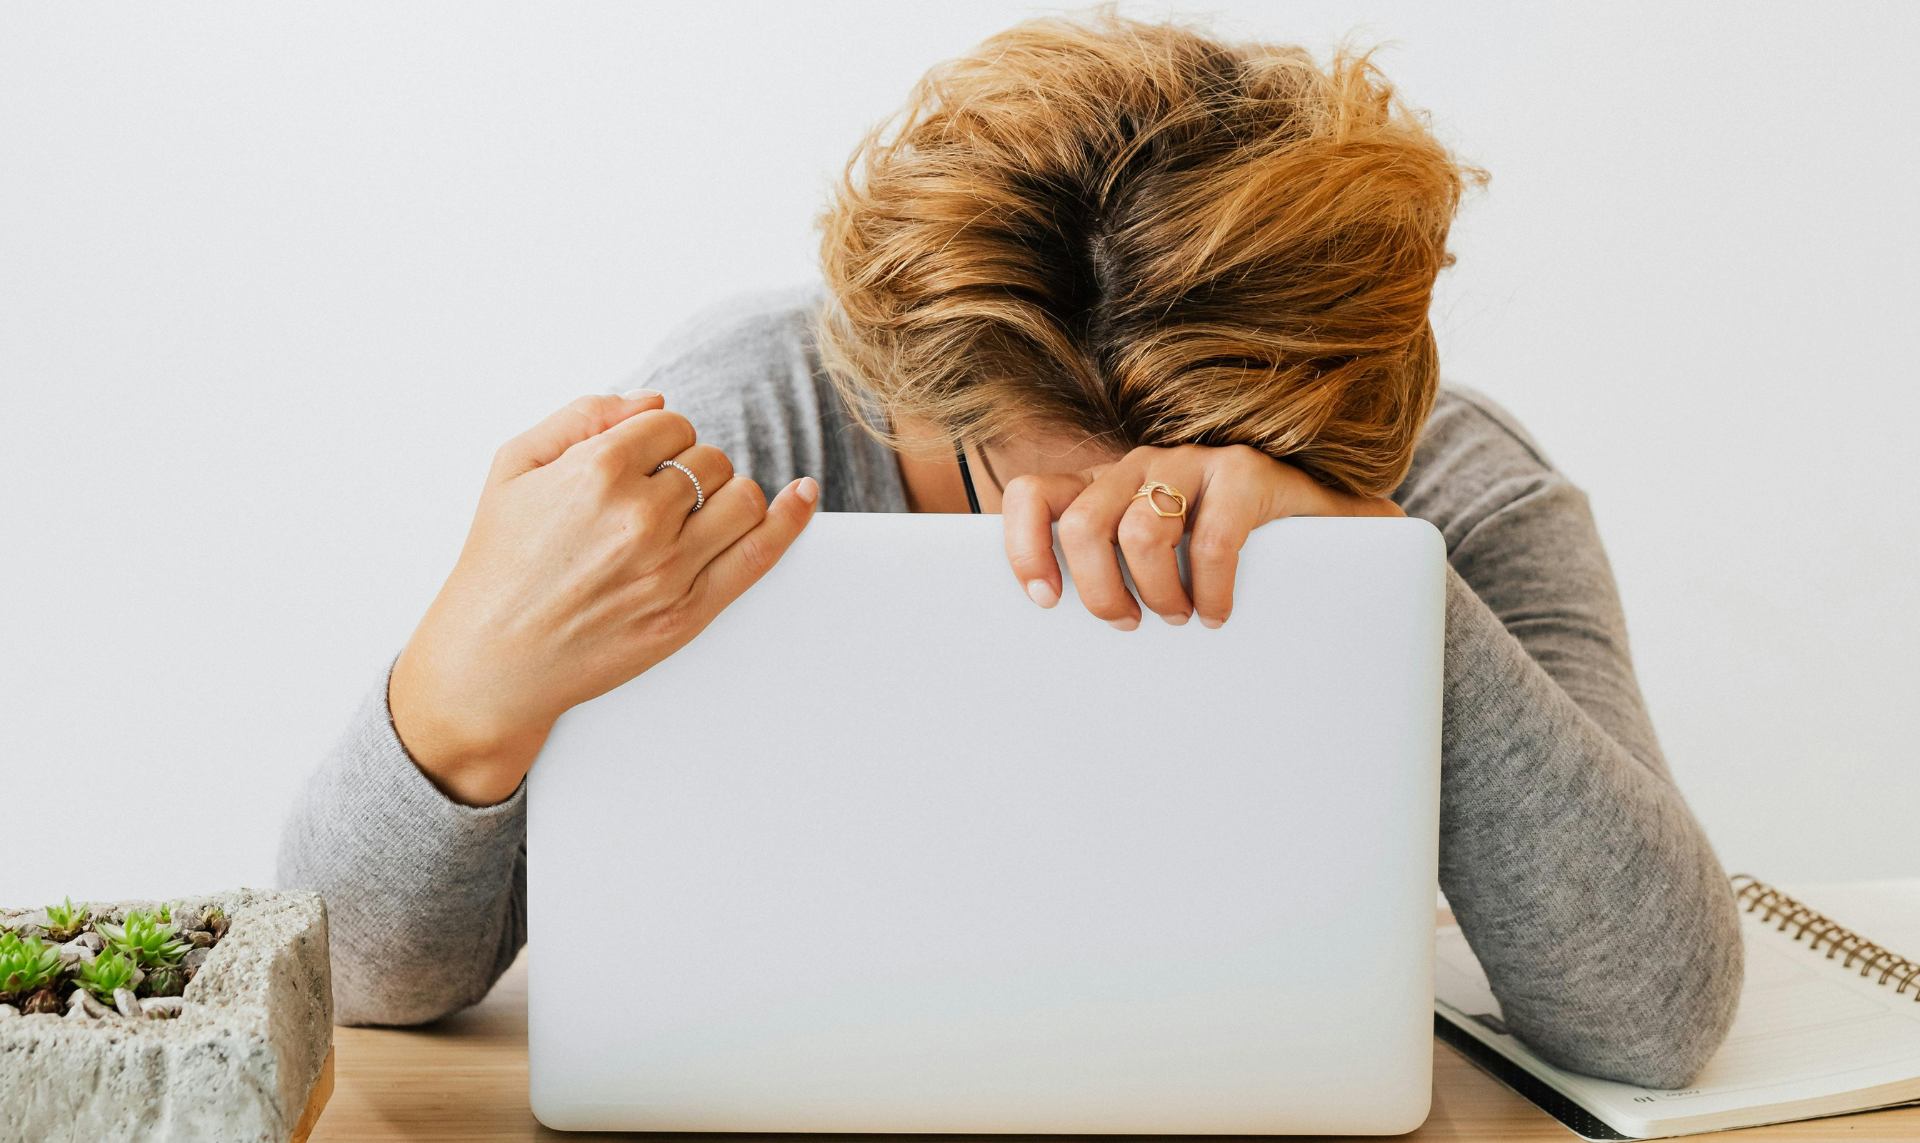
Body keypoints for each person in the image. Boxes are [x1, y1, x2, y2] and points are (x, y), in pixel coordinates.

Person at [279, 12, 1742, 1089]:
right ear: (935, 397)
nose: (1125, 547)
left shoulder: (1464, 488)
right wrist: (461, 684)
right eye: (1056, 485)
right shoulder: (744, 433)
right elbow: (373, 984)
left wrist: (1382, 575)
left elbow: (1654, 1013)